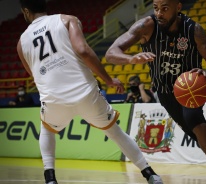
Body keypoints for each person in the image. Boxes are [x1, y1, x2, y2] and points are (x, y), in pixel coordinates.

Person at [105, 0, 206, 183]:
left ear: (178, 8)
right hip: (165, 93)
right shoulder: (146, 26)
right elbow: (111, 53)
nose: (159, 13)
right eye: (156, 8)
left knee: (193, 119)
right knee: (204, 139)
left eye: (164, 8)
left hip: (191, 88)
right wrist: (131, 59)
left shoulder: (194, 30)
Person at [17, 0, 163, 184]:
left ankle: (50, 178)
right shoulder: (67, 20)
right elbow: (83, 50)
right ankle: (149, 173)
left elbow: (34, 76)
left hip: (53, 100)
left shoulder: (21, 43)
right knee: (115, 132)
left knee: (46, 130)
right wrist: (109, 80)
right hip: (85, 93)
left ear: (25, 11)